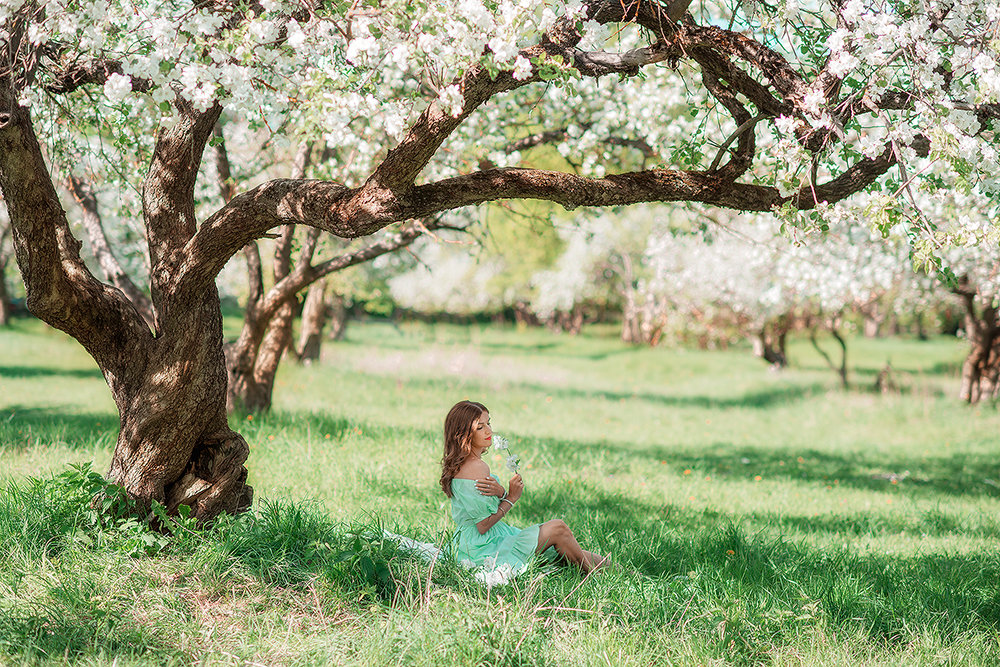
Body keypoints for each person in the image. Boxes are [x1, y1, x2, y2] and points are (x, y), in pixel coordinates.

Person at [440, 400, 608, 575]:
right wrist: (511, 498)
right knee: (558, 528)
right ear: (464, 434)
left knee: (583, 554)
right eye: (480, 427)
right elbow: (483, 525)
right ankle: (591, 577)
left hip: (478, 541)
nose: (489, 431)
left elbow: (480, 506)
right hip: (483, 547)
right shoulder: (476, 467)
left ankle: (628, 574)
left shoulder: (465, 464)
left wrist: (501, 493)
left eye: (488, 423)